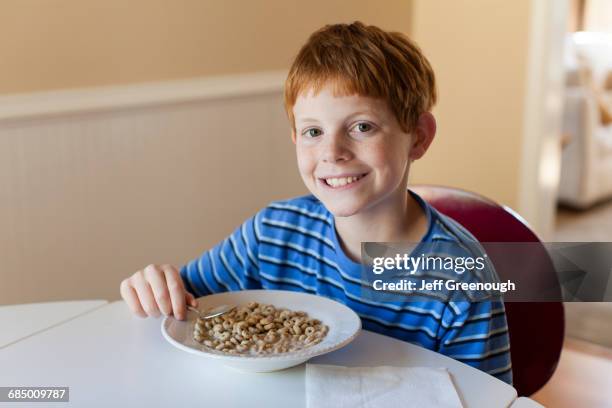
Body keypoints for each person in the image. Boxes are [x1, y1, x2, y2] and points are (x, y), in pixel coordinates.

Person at [120, 21, 512, 384]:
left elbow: (485, 397)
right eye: (313, 131)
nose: (332, 152)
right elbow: (187, 303)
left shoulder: (462, 277)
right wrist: (154, 286)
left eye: (362, 127)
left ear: (419, 137)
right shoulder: (272, 234)